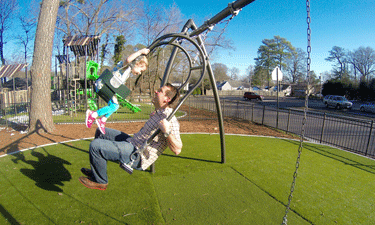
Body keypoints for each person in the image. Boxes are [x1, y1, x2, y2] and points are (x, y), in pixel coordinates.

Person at [79, 83, 182, 190]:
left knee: (95, 146)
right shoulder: (159, 113)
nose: (156, 91)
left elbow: (177, 149)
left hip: (137, 155)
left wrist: (167, 131)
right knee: (100, 132)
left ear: (167, 99)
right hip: (132, 142)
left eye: (160, 91)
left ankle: (100, 181)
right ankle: (97, 170)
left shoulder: (170, 120)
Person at [85, 48, 150, 134]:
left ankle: (102, 120)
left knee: (115, 106)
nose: (140, 73)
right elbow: (128, 59)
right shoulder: (125, 67)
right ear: (137, 64)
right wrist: (141, 52)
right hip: (103, 84)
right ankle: (93, 115)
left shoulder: (127, 73)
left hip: (107, 87)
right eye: (141, 70)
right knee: (115, 106)